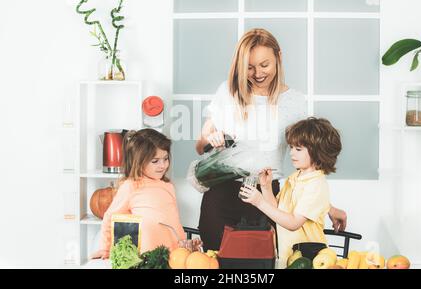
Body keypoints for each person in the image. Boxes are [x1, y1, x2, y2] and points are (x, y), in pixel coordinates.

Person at [195, 28, 347, 251]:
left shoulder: (295, 102)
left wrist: (327, 207)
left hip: (267, 197)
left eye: (264, 65)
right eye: (249, 67)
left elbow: (308, 163)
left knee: (263, 266)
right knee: (216, 264)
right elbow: (200, 147)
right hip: (222, 197)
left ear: (279, 57)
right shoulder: (228, 93)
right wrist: (211, 137)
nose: (257, 74)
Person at [239, 117, 342, 268]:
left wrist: (259, 202)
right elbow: (278, 211)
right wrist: (266, 187)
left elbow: (293, 223)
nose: (292, 153)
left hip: (310, 261)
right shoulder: (294, 178)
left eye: (298, 149)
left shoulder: (316, 184)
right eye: (291, 147)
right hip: (288, 259)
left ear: (318, 151)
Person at [91, 129, 188, 260]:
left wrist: (183, 244)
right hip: (147, 257)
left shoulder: (168, 186)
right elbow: (110, 217)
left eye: (165, 159)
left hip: (174, 254)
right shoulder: (131, 186)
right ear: (139, 161)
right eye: (155, 161)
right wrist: (105, 248)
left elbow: (174, 220)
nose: (163, 165)